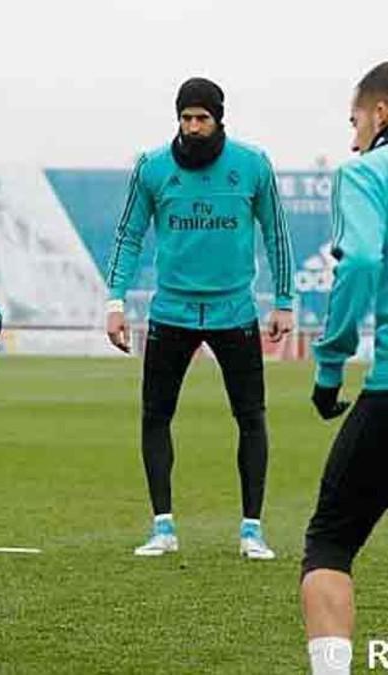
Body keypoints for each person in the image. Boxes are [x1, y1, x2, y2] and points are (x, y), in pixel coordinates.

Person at [104, 77, 295, 559]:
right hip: (171, 311)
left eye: (201, 118)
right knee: (156, 416)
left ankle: (252, 531)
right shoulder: (152, 167)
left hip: (235, 311)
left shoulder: (252, 164)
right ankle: (162, 528)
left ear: (218, 118)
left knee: (250, 417)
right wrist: (115, 302)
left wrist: (285, 301)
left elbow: (276, 234)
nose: (192, 127)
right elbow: (128, 235)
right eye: (185, 118)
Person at [299, 61, 388, 675]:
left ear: (379, 113)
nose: (353, 138)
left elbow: (358, 263)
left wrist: (330, 365)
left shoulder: (364, 173)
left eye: (354, 120)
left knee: (331, 542)